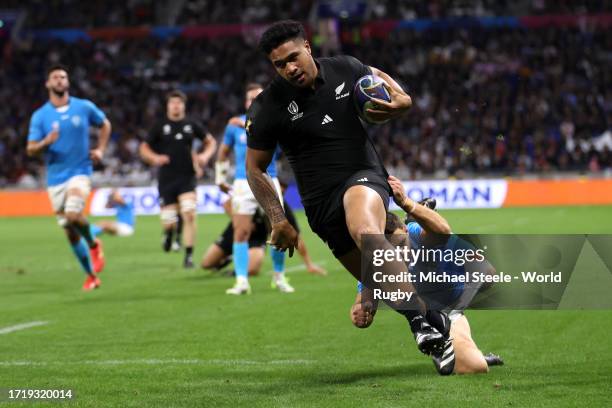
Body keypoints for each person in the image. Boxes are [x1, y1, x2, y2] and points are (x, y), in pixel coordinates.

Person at [245, 20, 448, 354]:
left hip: (362, 176)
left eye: (294, 57)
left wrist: (403, 100)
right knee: (386, 284)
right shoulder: (268, 107)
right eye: (280, 64)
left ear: (307, 47)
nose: (290, 68)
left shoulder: (345, 68)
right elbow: (254, 168)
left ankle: (419, 328)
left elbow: (386, 82)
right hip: (321, 206)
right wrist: (277, 218)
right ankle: (444, 337)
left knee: (365, 228)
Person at [350, 185, 504, 375]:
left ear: (405, 230)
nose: (396, 255)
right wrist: (360, 313)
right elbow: (364, 303)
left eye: (399, 245)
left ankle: (454, 349)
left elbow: (486, 272)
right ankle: (455, 348)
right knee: (475, 365)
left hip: (450, 307)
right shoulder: (376, 258)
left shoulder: (416, 234)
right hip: (430, 311)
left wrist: (407, 203)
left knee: (476, 366)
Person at [26, 64, 111, 291]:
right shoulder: (40, 116)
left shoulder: (83, 107)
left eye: (63, 77)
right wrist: (46, 142)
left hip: (80, 172)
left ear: (68, 82)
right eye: (55, 77)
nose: (60, 81)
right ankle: (91, 276)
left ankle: (94, 243)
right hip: (55, 179)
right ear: (48, 84)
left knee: (74, 214)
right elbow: (31, 149)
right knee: (70, 233)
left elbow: (105, 124)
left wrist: (101, 149)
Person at [215, 83, 293, 294]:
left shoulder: (275, 121)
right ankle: (241, 282)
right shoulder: (233, 125)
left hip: (269, 179)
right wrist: (220, 177)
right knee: (241, 231)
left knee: (277, 229)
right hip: (242, 182)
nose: (253, 101)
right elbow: (222, 152)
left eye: (258, 97)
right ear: (245, 102)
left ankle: (279, 277)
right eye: (250, 98)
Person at [139, 90, 217, 268]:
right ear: (168, 106)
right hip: (166, 179)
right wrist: (154, 158)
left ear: (183, 106)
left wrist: (204, 156)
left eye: (179, 103)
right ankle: (168, 234)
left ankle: (188, 256)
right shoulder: (159, 126)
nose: (176, 106)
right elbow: (144, 148)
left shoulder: (191, 124)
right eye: (172, 103)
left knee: (189, 212)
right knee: (169, 221)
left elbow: (210, 142)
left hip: (187, 177)